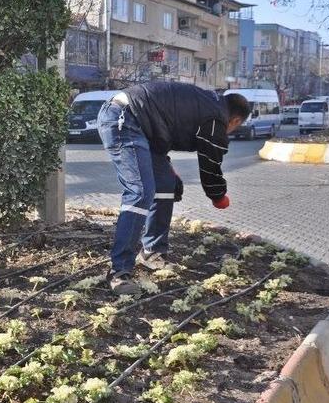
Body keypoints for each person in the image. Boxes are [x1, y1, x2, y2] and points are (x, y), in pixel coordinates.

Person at [96, 82, 250, 295]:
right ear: (235, 120)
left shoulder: (207, 103)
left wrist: (169, 169)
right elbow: (210, 167)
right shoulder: (216, 119)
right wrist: (218, 196)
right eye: (235, 127)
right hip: (124, 118)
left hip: (139, 123)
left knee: (166, 184)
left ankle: (152, 251)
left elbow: (162, 127)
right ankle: (119, 271)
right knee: (140, 191)